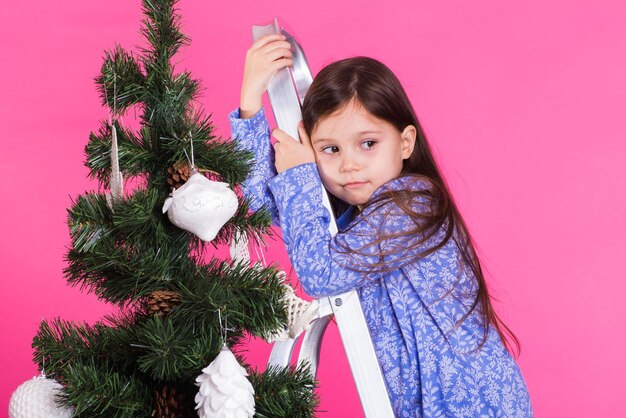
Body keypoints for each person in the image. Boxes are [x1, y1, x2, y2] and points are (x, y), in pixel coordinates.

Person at [229, 33, 533, 417]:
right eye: (330, 149)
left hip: (471, 402)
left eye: (368, 143)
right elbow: (269, 207)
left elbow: (319, 272)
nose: (349, 164)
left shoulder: (413, 205)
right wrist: (250, 108)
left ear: (405, 143)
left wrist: (302, 175)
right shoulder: (359, 214)